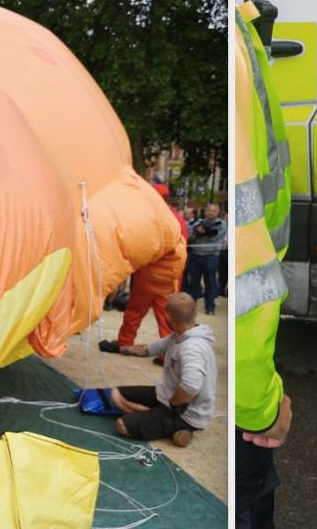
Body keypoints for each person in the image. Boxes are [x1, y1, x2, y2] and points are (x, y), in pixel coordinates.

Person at [234, 0, 292, 529]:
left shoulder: (242, 26)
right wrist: (262, 406)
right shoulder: (237, 33)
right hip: (246, 398)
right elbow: (248, 276)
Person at [108, 293, 217, 448]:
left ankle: (180, 426)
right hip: (169, 396)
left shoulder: (192, 347)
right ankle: (167, 424)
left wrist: (173, 403)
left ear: (167, 316)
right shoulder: (178, 336)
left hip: (187, 413)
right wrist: (120, 348)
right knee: (115, 394)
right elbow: (148, 349)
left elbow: (191, 386)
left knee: (122, 425)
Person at [96, 185, 187, 355]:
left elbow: (140, 245)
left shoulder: (152, 219)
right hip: (169, 277)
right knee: (166, 315)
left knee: (135, 311)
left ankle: (125, 343)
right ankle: (167, 353)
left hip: (148, 275)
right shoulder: (177, 219)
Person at [186, 204, 225, 315]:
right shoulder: (198, 223)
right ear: (205, 211)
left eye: (214, 211)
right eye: (209, 210)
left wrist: (202, 232)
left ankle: (210, 307)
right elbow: (191, 236)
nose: (211, 212)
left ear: (218, 212)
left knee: (210, 282)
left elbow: (214, 235)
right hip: (195, 255)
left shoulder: (222, 224)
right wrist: (199, 232)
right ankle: (191, 307)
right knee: (193, 283)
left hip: (211, 257)